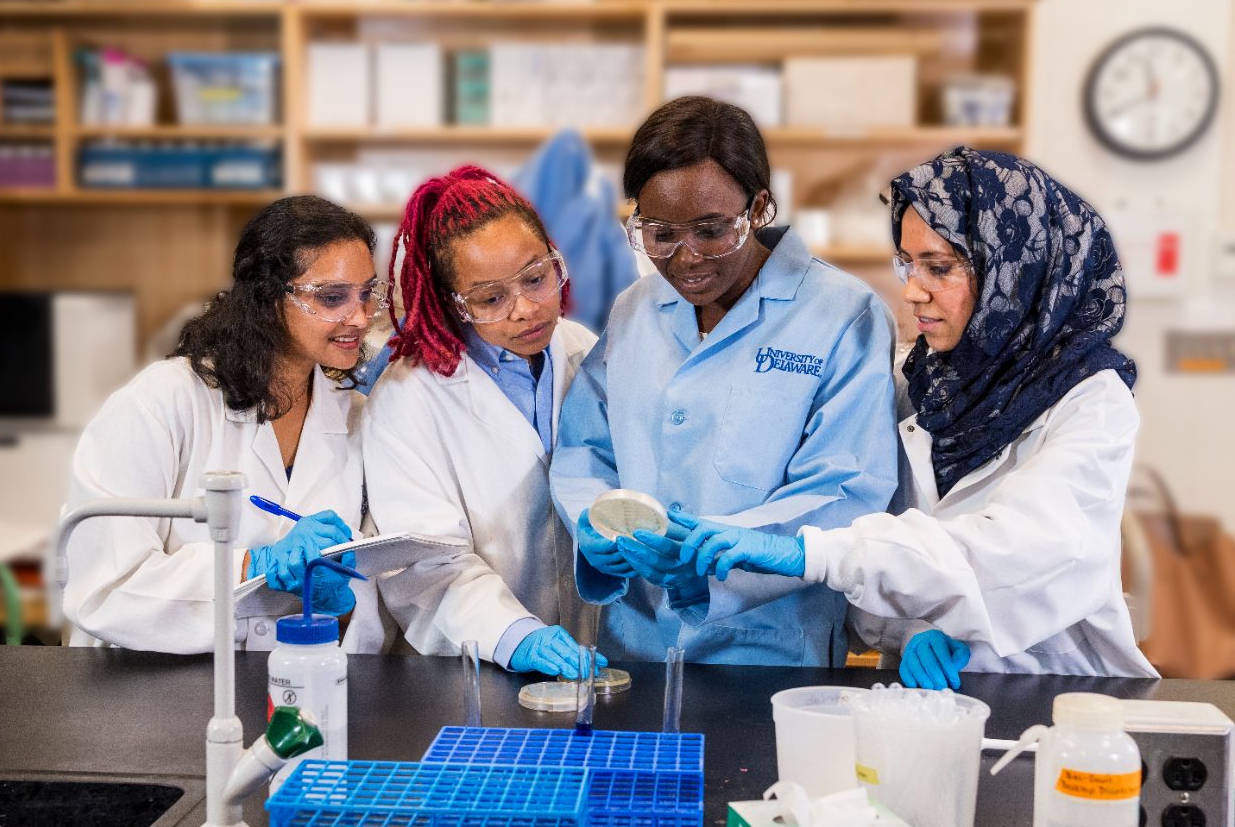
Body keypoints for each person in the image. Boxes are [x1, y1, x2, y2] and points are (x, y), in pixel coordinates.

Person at [672, 147, 1158, 684]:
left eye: (941, 267)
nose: (911, 291)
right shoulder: (916, 380)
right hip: (919, 691)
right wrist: (910, 630)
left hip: (1053, 682)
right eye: (907, 262)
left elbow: (1027, 550)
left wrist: (810, 552)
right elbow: (879, 534)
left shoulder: (1090, 398)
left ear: (1015, 272)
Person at [549, 96, 899, 666]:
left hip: (771, 648)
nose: (686, 259)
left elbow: (846, 487)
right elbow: (587, 446)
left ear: (757, 206)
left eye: (711, 231)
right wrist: (593, 519)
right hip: (635, 641)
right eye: (660, 233)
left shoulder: (843, 315)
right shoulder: (636, 308)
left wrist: (715, 553)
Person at [63, 196, 387, 654]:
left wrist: (342, 600)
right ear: (269, 298)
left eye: (366, 293)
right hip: (142, 688)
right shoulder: (164, 402)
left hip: (290, 685)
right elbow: (105, 588)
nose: (359, 318)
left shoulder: (353, 413)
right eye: (332, 297)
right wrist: (251, 566)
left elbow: (370, 593)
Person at [362, 166, 605, 679]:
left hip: (593, 659)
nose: (526, 310)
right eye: (491, 299)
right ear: (451, 304)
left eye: (537, 279)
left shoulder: (583, 351)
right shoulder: (408, 399)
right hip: (471, 672)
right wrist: (516, 636)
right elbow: (423, 565)